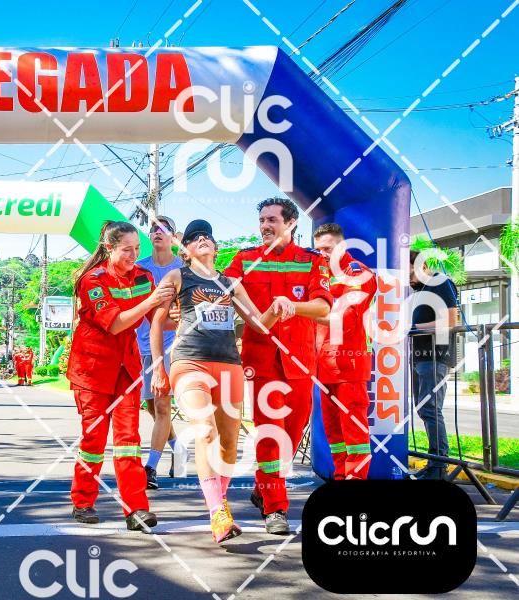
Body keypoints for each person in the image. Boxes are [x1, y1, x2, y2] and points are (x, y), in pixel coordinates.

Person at [151, 219, 284, 542]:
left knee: (228, 443)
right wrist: (158, 368)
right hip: (189, 362)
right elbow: (157, 322)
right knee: (205, 430)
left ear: (215, 246)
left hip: (228, 366)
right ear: (185, 250)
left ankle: (220, 503)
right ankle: (216, 512)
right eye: (194, 237)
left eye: (207, 236)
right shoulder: (177, 276)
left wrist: (276, 308)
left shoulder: (231, 283)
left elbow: (258, 324)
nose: (202, 239)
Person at [224, 198, 332, 534]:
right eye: (262, 220)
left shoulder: (312, 261)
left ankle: (264, 486)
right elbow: (224, 286)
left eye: (272, 219)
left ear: (291, 223)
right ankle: (276, 508)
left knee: (291, 434)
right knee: (270, 433)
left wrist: (293, 306)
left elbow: (323, 307)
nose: (265, 226)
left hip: (300, 361)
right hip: (261, 362)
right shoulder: (245, 259)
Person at [66, 220, 175, 531]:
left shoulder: (142, 277)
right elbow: (115, 324)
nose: (134, 255)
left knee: (129, 440)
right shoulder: (92, 280)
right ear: (109, 248)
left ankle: (136, 508)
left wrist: (178, 317)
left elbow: (157, 320)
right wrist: (152, 301)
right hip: (92, 370)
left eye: (137, 249)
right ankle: (83, 501)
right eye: (127, 250)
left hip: (126, 369)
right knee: (94, 438)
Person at [313, 224, 378, 480]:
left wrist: (300, 309)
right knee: (334, 433)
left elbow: (345, 318)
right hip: (322, 366)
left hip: (349, 366)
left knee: (354, 432)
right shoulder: (318, 276)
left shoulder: (359, 274)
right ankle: (341, 476)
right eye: (318, 250)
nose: (322, 254)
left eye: (327, 249)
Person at [135, 215, 186, 490]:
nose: (158, 232)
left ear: (174, 238)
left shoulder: (183, 269)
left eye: (164, 229)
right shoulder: (139, 268)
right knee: (153, 407)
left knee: (163, 405)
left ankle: (150, 468)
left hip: (172, 345)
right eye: (154, 228)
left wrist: (180, 315)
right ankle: (179, 449)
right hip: (142, 344)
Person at [409, 248, 458, 480]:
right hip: (421, 356)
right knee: (423, 408)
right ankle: (434, 462)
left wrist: (414, 328)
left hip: (435, 356)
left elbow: (451, 320)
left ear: (423, 266)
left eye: (410, 274)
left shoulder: (440, 282)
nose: (408, 280)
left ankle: (439, 464)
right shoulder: (421, 289)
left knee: (430, 408)